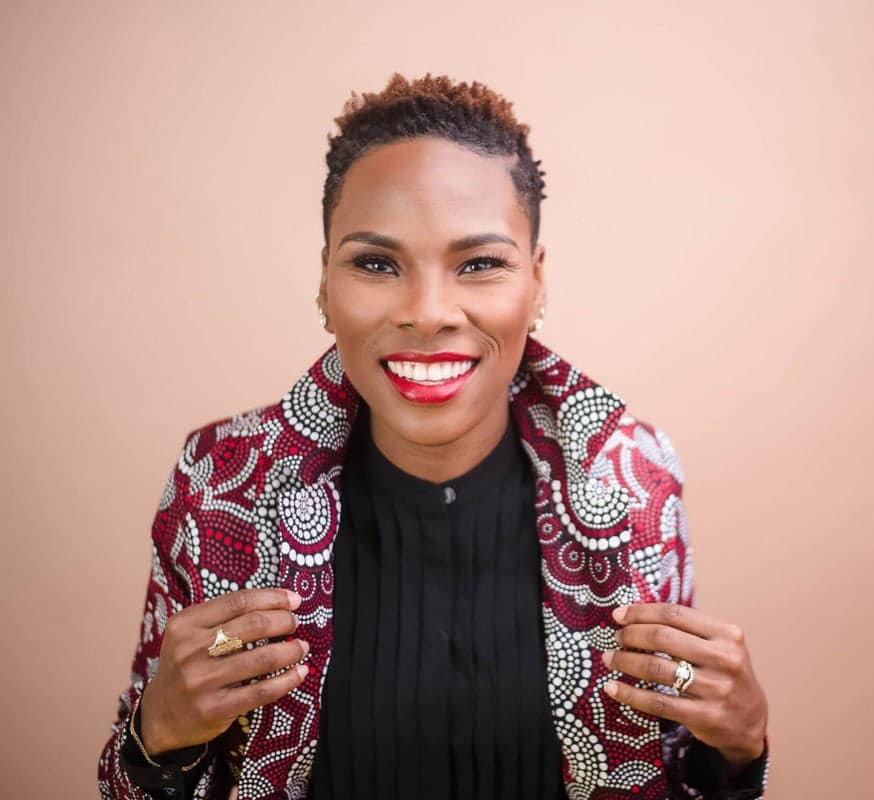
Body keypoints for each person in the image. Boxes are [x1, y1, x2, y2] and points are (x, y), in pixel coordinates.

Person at [98, 73, 770, 800]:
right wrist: (154, 740)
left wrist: (735, 751)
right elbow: (136, 780)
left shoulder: (632, 477)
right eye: (376, 263)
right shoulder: (219, 484)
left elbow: (680, 773)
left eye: (479, 264)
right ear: (326, 282)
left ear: (536, 283)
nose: (427, 312)